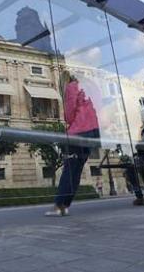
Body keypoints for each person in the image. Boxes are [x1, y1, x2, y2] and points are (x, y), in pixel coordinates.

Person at [46, 73, 100, 216]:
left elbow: (69, 114)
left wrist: (67, 118)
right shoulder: (87, 87)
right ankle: (65, 205)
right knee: (76, 170)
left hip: (79, 131)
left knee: (70, 169)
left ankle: (59, 206)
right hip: (93, 132)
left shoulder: (71, 86)